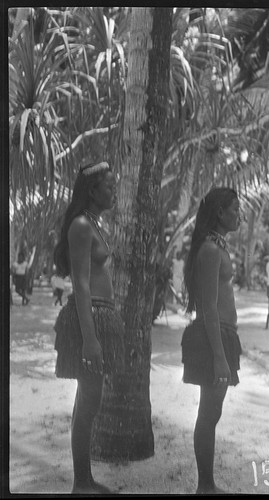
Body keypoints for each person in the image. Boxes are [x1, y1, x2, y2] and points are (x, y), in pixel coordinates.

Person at [53, 160, 125, 494]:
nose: (114, 190)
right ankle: (81, 482)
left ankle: (85, 480)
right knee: (89, 400)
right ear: (93, 190)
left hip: (99, 314)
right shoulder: (82, 225)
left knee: (88, 399)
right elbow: (81, 284)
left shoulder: (94, 223)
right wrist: (90, 339)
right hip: (89, 318)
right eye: (109, 185)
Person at [181, 187, 242, 495]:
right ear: (220, 213)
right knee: (208, 412)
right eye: (234, 209)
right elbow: (207, 307)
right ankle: (205, 485)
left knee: (213, 411)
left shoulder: (217, 246)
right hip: (211, 337)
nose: (239, 215)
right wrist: (219, 356)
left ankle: (207, 483)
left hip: (222, 335)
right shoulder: (210, 249)